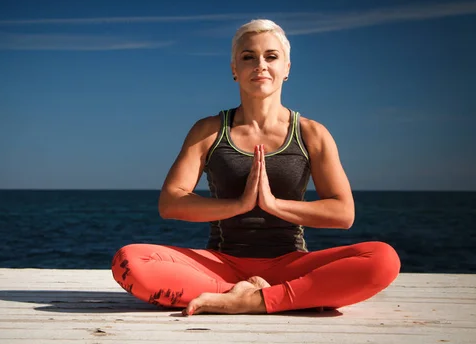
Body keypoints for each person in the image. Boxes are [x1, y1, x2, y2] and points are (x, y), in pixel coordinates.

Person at [111, 19, 401, 316]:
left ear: (287, 68)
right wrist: (240, 204)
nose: (260, 65)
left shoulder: (311, 134)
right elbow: (171, 203)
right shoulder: (209, 130)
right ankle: (252, 296)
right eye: (248, 57)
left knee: (383, 259)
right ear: (234, 70)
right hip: (221, 264)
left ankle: (246, 300)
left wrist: (273, 204)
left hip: (290, 263)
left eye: (271, 57)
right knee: (130, 261)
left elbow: (343, 213)